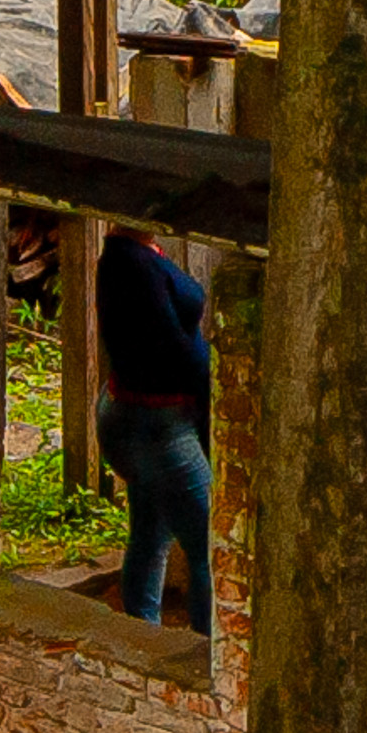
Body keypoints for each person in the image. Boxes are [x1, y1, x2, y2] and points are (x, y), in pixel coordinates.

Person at [95, 221, 214, 629]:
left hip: (145, 418)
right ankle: (207, 655)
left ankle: (140, 633)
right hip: (154, 426)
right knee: (207, 547)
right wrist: (216, 388)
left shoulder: (138, 253)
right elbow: (172, 350)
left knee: (151, 532)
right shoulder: (132, 266)